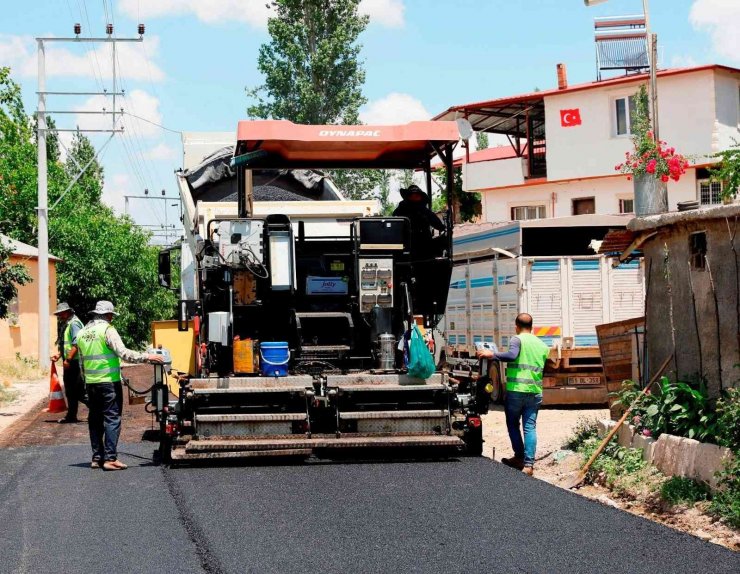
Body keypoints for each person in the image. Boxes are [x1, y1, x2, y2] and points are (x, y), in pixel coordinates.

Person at [75, 300, 164, 471]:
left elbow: (82, 364)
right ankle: (110, 459)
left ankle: (97, 457)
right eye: (111, 316)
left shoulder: (82, 333)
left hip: (91, 384)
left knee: (95, 420)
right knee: (112, 418)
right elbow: (123, 353)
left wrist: (85, 385)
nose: (112, 319)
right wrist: (147, 357)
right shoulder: (107, 330)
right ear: (108, 315)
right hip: (108, 383)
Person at [477, 313, 549, 476]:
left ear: (516, 326)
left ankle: (519, 456)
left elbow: (512, 355)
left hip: (517, 390)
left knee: (513, 424)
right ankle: (529, 464)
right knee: (530, 427)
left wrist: (492, 354)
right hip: (535, 392)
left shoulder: (517, 339)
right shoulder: (542, 345)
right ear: (532, 326)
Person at [50, 302, 86, 424]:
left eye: (61, 313)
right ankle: (71, 416)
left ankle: (98, 411)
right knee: (71, 391)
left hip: (75, 363)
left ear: (67, 312)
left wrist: (68, 359)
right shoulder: (68, 324)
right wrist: (60, 355)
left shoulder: (74, 324)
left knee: (78, 391)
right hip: (71, 362)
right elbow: (67, 344)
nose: (59, 315)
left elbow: (76, 344)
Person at [393, 184, 445, 257]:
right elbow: (394, 226)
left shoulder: (424, 211)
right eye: (412, 195)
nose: (414, 198)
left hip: (425, 244)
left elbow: (437, 224)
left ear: (421, 197)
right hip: (407, 245)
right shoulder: (400, 210)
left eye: (417, 196)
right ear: (408, 197)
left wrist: (444, 228)